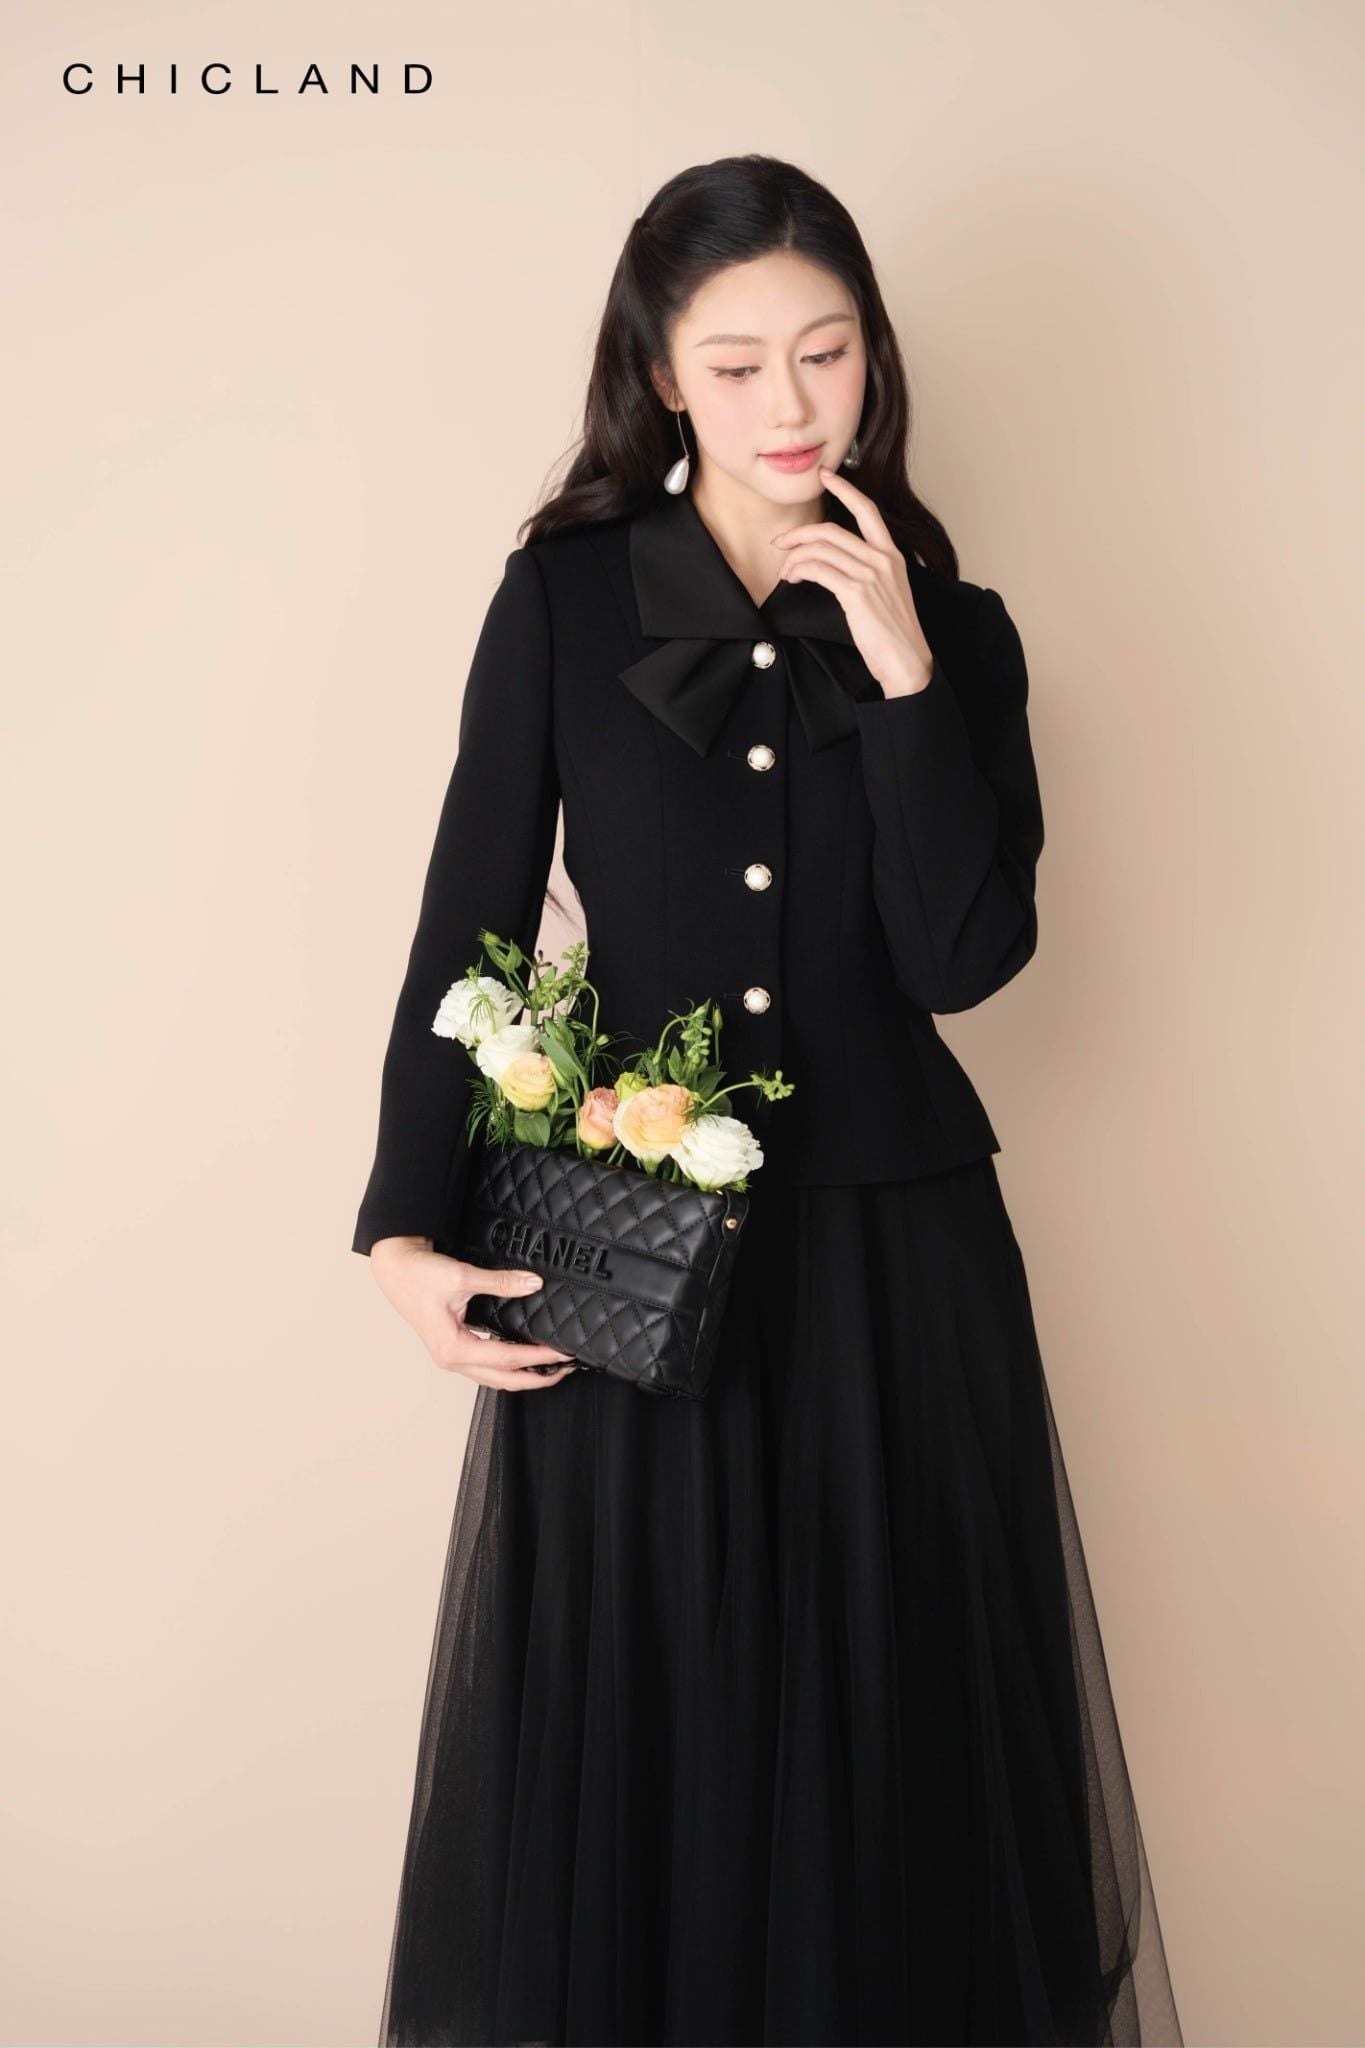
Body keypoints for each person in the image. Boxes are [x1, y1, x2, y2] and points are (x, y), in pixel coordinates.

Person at [352, 153, 1185, 2048]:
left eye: (826, 352)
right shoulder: (562, 600)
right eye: (735, 366)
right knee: (651, 1744)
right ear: (660, 375)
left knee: (895, 1745)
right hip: (632, 1274)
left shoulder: (955, 630)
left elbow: (964, 958)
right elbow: (468, 921)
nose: (790, 402)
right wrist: (403, 1226)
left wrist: (901, 676)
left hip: (903, 1270)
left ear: (872, 355)